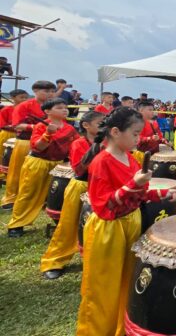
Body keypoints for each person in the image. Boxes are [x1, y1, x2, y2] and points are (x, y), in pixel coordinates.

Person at [75, 107, 176, 335]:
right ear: (115, 132)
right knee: (103, 287)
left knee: (127, 279)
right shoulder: (101, 162)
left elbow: (139, 194)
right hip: (108, 228)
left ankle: (120, 328)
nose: (139, 139)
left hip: (131, 221)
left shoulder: (131, 159)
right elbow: (104, 205)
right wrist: (133, 184)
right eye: (134, 134)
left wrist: (164, 195)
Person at [39, 110, 105, 279]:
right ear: (86, 125)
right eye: (100, 124)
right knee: (68, 226)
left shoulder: (107, 142)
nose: (103, 127)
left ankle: (94, 259)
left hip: (100, 187)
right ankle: (55, 260)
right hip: (81, 185)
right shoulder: (78, 144)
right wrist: (96, 150)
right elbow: (79, 169)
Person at [7, 98, 77, 237]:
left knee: (56, 194)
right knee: (29, 193)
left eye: (65, 107)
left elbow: (74, 146)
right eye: (59, 107)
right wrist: (48, 133)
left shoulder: (70, 128)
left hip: (58, 164)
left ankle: (58, 222)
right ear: (47, 111)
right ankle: (17, 225)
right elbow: (38, 147)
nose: (64, 109)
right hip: (39, 162)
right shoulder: (41, 126)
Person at [2, 81, 56, 209]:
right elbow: (17, 125)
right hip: (26, 142)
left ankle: (43, 198)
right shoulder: (24, 106)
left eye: (51, 91)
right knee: (18, 171)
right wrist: (36, 127)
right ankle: (12, 198)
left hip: (48, 143)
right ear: (35, 91)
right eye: (46, 91)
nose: (49, 94)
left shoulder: (54, 106)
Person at [0, 89, 29, 194]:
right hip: (8, 134)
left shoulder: (27, 111)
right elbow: (2, 124)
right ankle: (2, 175)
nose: (24, 99)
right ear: (13, 98)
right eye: (21, 97)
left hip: (21, 136)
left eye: (26, 97)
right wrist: (17, 127)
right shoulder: (6, 109)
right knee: (3, 155)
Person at [133, 101, 164, 166]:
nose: (152, 112)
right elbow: (136, 139)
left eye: (153, 110)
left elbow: (159, 136)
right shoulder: (137, 123)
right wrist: (149, 138)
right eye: (150, 110)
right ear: (141, 110)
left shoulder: (154, 123)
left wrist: (163, 140)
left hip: (155, 153)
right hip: (142, 154)